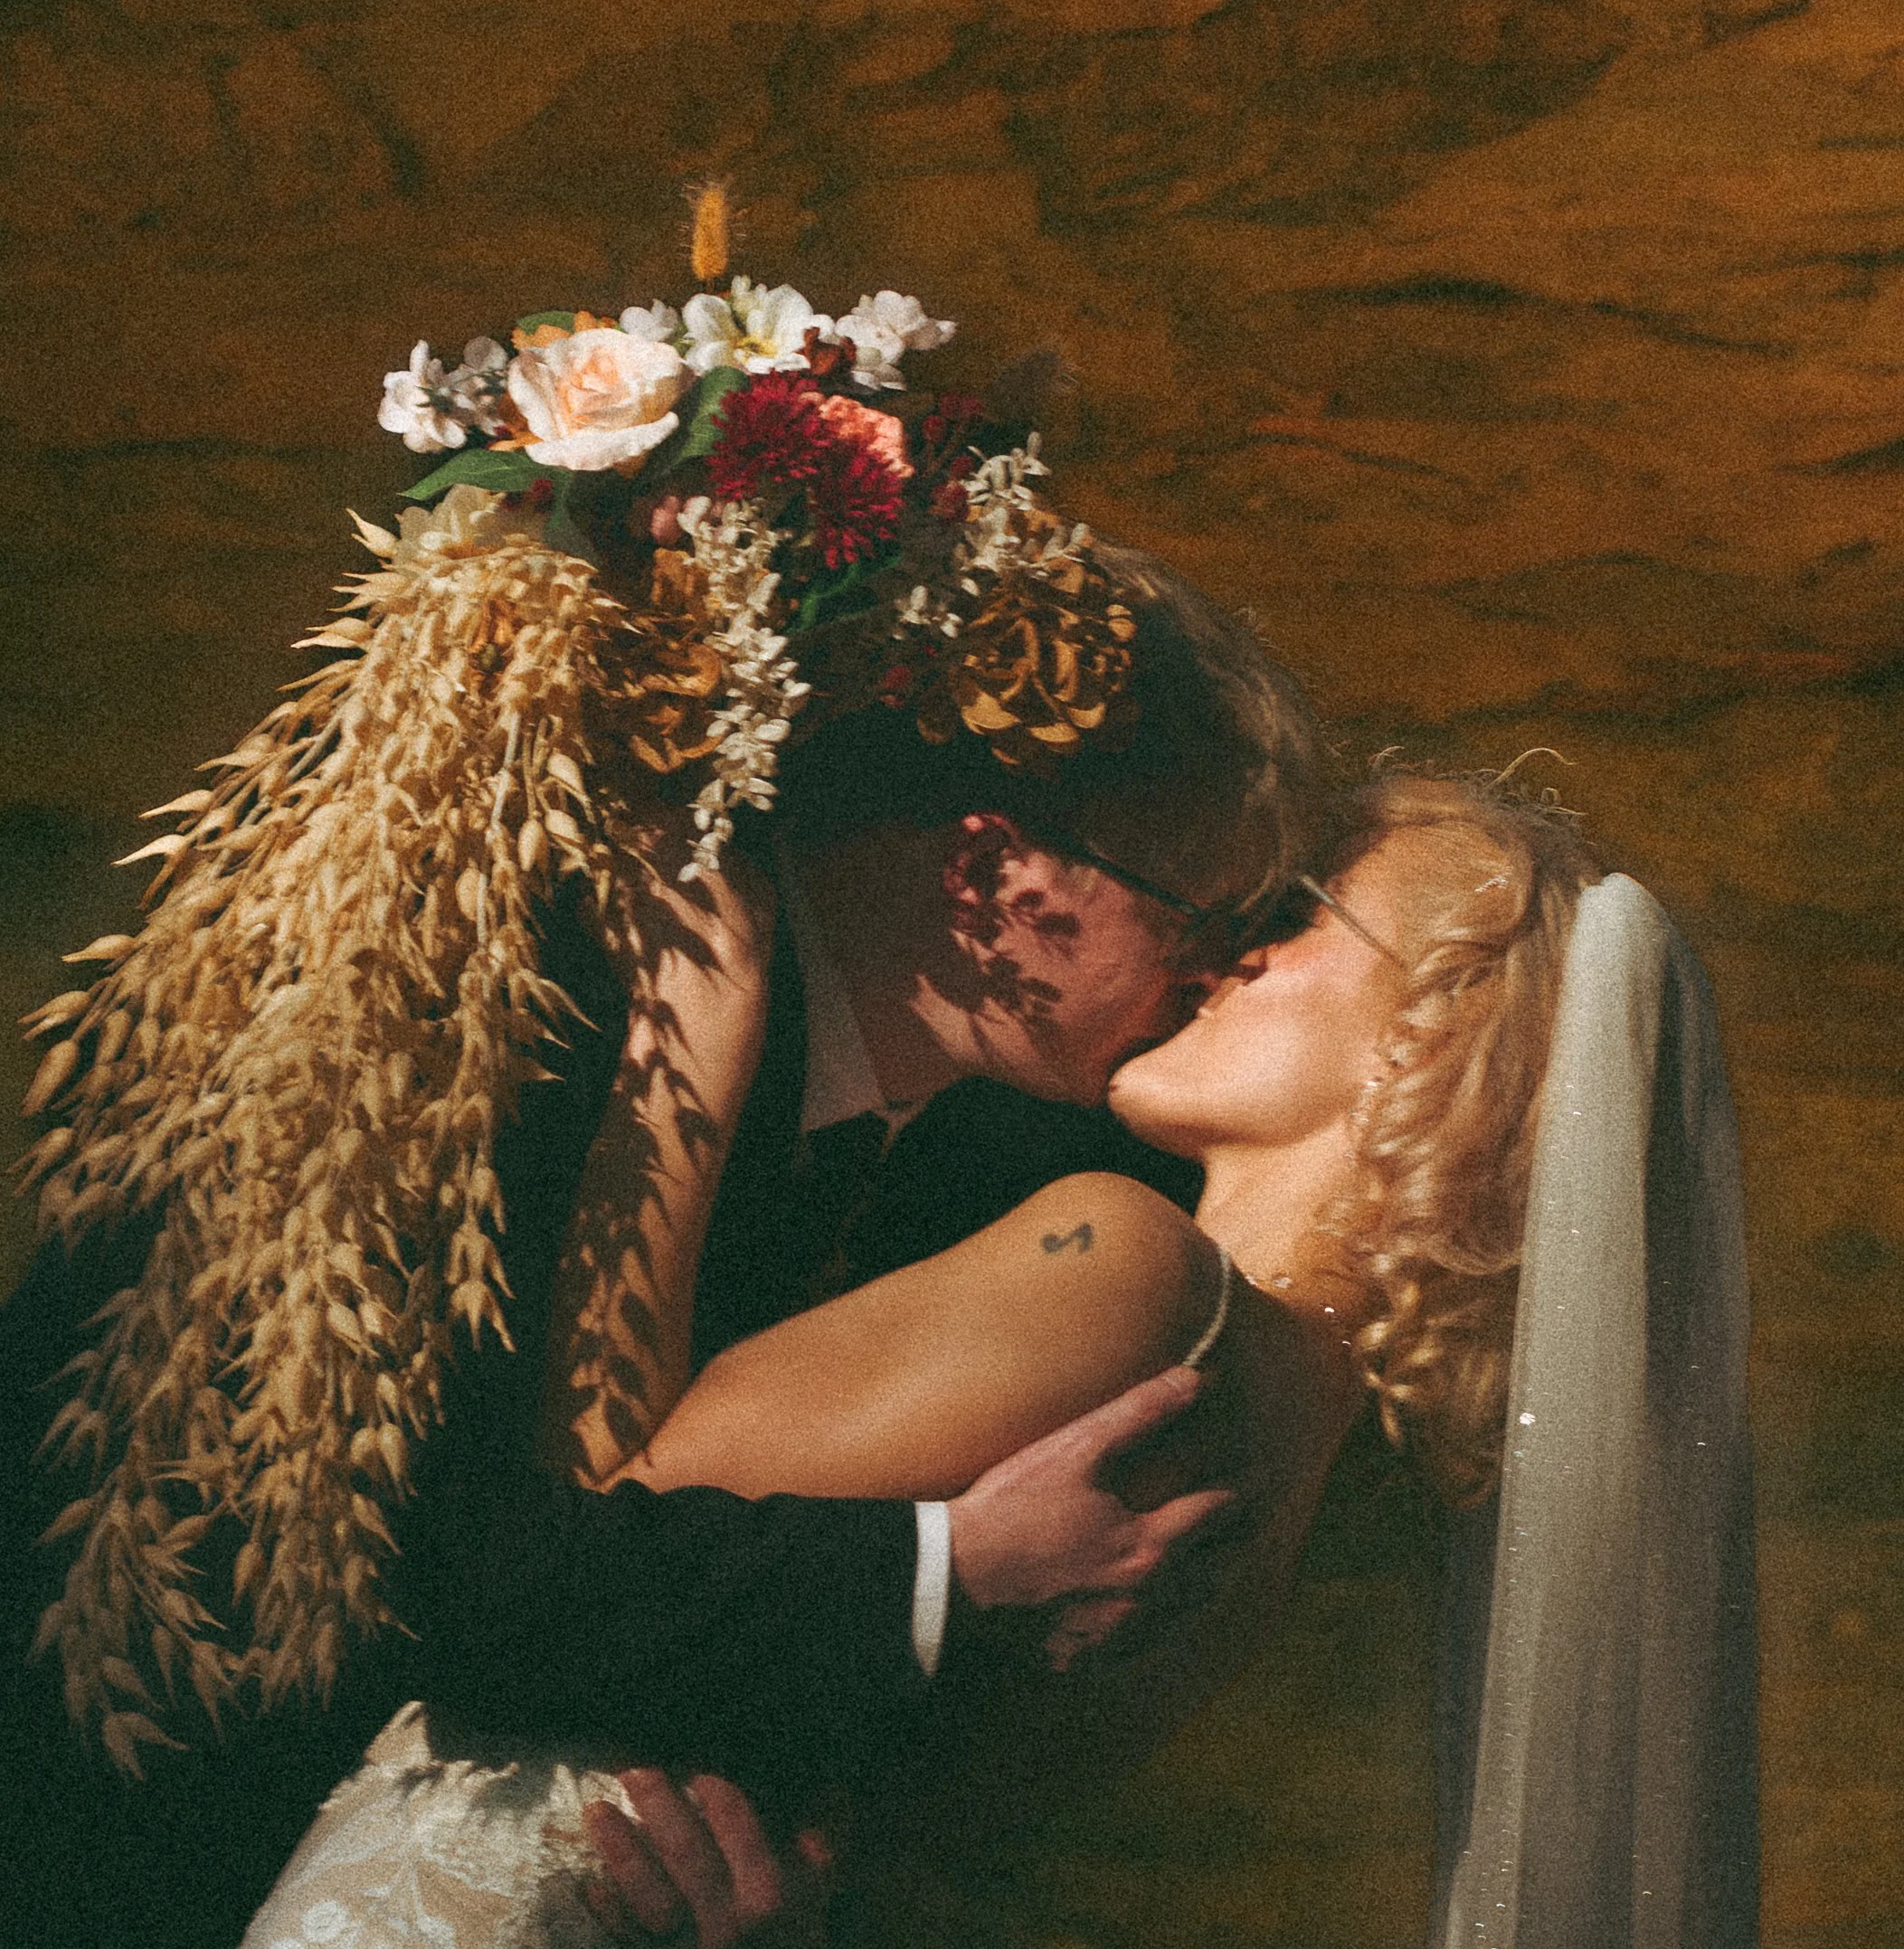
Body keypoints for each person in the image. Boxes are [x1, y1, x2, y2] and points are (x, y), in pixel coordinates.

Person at [243, 766, 1757, 1949]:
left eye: (1293, 923)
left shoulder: (1130, 1261)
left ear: (1431, 1041)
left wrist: (692, 1038)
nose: (1221, 953)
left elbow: (584, 1519)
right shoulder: (1308, 1471)